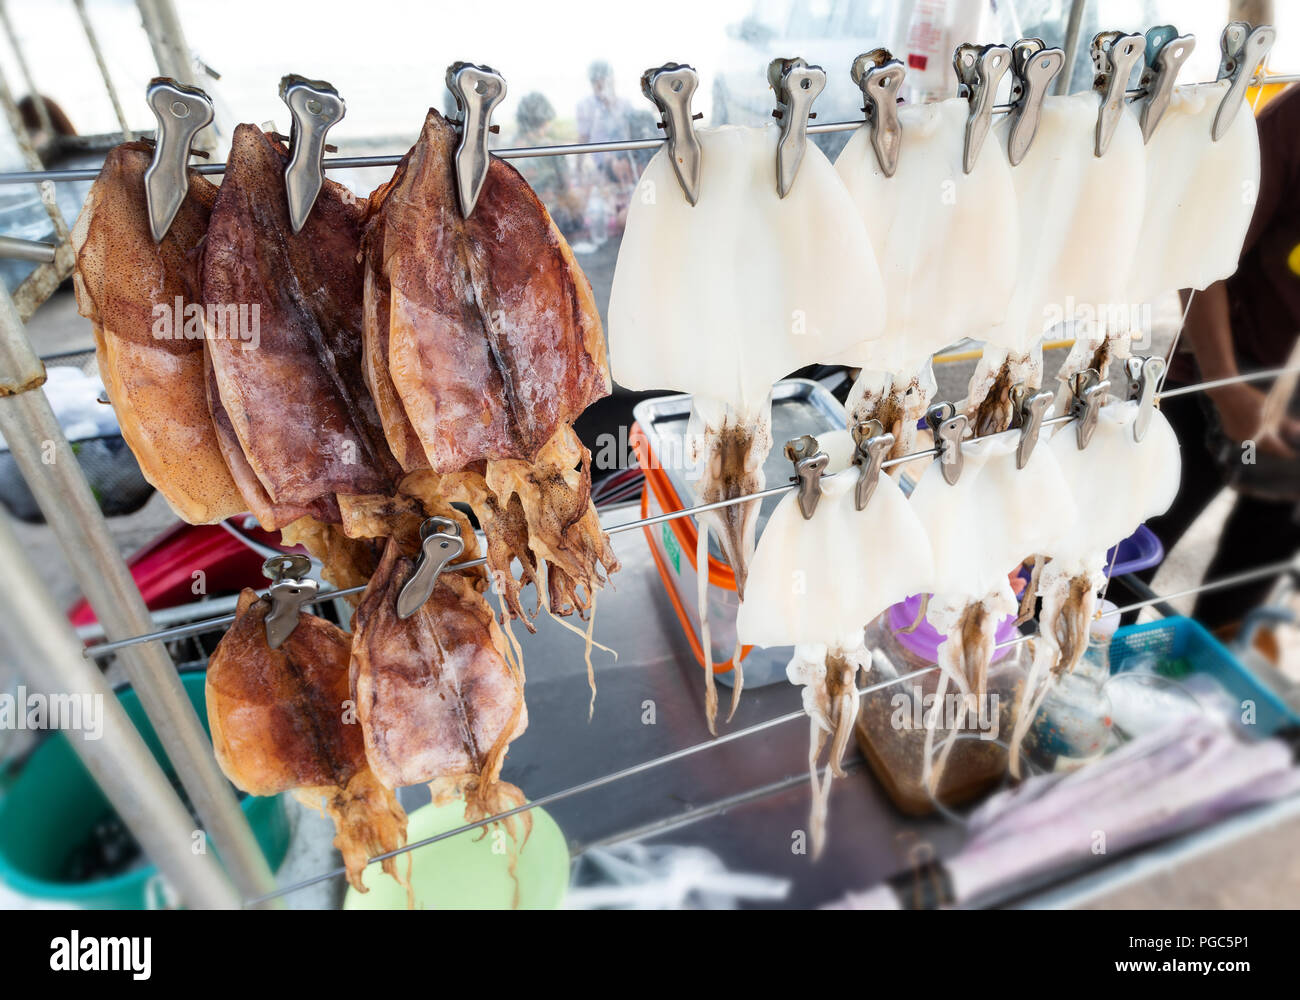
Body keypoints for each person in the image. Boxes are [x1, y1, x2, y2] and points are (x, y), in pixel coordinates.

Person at [1142, 83, 1300, 633]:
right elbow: (1200, 252)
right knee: (1121, 558)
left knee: (1243, 592)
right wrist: (1226, 387)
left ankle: (1201, 707)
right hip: (1222, 373)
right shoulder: (1290, 122)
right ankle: (1061, 689)